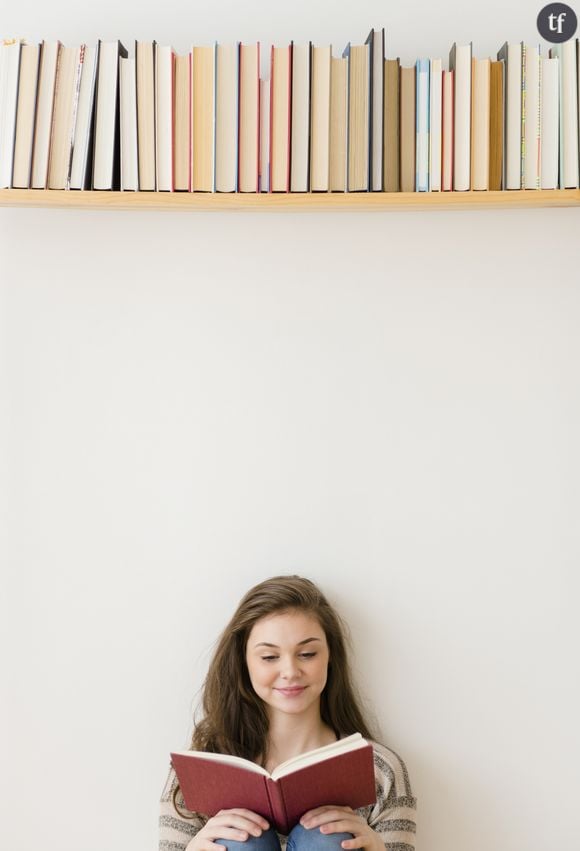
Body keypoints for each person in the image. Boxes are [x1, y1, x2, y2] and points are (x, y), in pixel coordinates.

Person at [159, 575, 417, 851]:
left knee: (326, 838)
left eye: (307, 654)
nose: (291, 672)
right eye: (269, 657)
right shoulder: (200, 769)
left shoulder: (378, 770)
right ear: (244, 663)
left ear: (330, 657)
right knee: (239, 839)